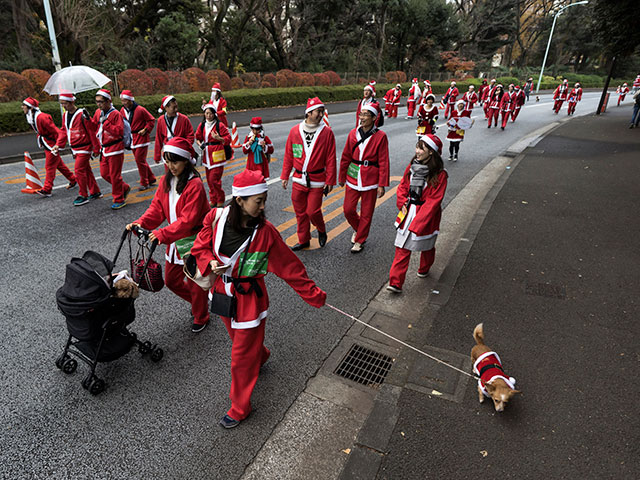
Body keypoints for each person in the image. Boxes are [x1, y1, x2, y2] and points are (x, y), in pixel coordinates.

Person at [190, 169, 327, 428]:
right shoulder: (216, 217)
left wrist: (314, 295)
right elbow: (200, 246)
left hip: (250, 300)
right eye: (258, 201)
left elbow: (290, 267)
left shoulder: (265, 232)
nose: (264, 206)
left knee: (240, 357)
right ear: (240, 200)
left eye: (264, 199)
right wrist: (209, 262)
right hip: (222, 294)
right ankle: (260, 355)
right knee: (240, 343)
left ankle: (240, 407)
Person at [127, 137, 211, 333]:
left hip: (192, 240)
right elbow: (156, 209)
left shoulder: (195, 185)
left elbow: (188, 221)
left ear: (187, 161)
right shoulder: (167, 180)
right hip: (174, 238)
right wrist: (140, 223)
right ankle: (199, 304)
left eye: (175, 161)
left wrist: (162, 233)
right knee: (172, 281)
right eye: (168, 161)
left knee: (194, 282)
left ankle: (201, 315)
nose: (171, 166)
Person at [387, 134, 447, 293]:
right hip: (408, 212)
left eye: (422, 148)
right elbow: (402, 187)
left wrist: (419, 222)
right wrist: (402, 203)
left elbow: (434, 201)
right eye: (417, 147)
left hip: (426, 216)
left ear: (431, 152)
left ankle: (424, 267)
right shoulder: (411, 166)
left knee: (427, 245)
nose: (417, 151)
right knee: (401, 246)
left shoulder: (440, 175)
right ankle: (395, 282)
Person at [280, 97, 337, 251]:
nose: (320, 114)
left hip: (317, 179)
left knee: (312, 211)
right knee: (300, 213)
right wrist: (285, 175)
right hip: (298, 178)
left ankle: (321, 228)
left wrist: (330, 180)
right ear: (309, 112)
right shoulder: (295, 131)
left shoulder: (326, 133)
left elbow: (331, 158)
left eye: (322, 111)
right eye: (318, 111)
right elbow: (289, 154)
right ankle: (303, 239)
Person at [338, 102, 389, 253]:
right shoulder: (352, 133)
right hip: (353, 176)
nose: (362, 117)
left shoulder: (381, 136)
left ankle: (360, 240)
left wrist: (381, 184)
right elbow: (346, 156)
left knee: (367, 213)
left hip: (370, 180)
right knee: (348, 210)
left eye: (366, 114)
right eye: (361, 114)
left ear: (374, 117)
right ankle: (360, 229)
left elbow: (384, 161)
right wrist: (341, 176)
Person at [22, 97, 76, 197]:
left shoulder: (42, 118)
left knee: (49, 166)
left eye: (24, 106)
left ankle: (47, 189)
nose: (22, 107)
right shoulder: (32, 116)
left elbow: (56, 131)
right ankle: (73, 179)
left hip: (52, 144)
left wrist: (58, 145)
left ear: (30, 108)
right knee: (59, 165)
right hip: (47, 143)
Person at [57, 91, 101, 206]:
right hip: (74, 148)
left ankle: (83, 195)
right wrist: (58, 144)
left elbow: (91, 131)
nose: (63, 106)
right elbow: (63, 130)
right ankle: (95, 191)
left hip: (84, 147)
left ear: (72, 102)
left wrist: (96, 148)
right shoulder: (65, 115)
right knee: (86, 169)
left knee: (79, 170)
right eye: (62, 104)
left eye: (65, 103)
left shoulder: (82, 114)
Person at [92, 89, 130, 209]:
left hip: (115, 148)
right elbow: (94, 127)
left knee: (114, 175)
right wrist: (87, 120)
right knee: (104, 174)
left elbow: (119, 131)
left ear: (108, 101)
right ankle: (123, 187)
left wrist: (107, 123)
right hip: (105, 149)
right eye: (97, 101)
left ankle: (119, 198)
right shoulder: (98, 113)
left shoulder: (115, 114)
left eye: (101, 101)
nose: (99, 104)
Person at [195, 101, 231, 207]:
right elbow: (198, 137)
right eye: (206, 113)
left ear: (214, 114)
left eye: (211, 113)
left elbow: (228, 138)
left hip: (217, 154)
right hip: (206, 155)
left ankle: (220, 198)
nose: (209, 115)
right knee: (209, 180)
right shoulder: (202, 125)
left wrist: (218, 138)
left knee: (214, 179)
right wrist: (200, 144)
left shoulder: (219, 125)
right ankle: (213, 199)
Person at [119, 90, 157, 191]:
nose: (123, 103)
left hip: (141, 137)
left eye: (125, 101)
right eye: (122, 101)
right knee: (141, 160)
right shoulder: (122, 110)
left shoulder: (140, 109)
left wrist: (146, 129)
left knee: (139, 160)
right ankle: (151, 178)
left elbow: (151, 120)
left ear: (131, 100)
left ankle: (144, 182)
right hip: (131, 138)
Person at [154, 95, 195, 165]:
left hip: (181, 151)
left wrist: (185, 147)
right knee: (170, 174)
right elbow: (159, 138)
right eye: (174, 107)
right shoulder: (161, 120)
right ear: (166, 107)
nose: (176, 109)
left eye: (176, 107)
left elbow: (190, 136)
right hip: (168, 151)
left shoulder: (184, 119)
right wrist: (157, 156)